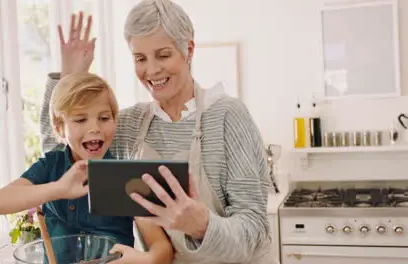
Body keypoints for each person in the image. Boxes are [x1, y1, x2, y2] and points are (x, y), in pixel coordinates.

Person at [40, 0, 276, 263]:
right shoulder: (130, 125)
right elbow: (60, 168)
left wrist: (202, 225)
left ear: (188, 50)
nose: (151, 70)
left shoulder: (227, 116)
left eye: (163, 55)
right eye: (140, 58)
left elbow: (255, 230)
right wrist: (68, 79)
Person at [0, 73, 173, 264]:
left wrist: (144, 260)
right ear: (60, 128)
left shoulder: (123, 179)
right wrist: (59, 189)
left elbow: (162, 250)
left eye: (104, 118)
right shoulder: (51, 167)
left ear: (115, 121)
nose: (95, 128)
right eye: (80, 120)